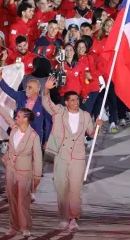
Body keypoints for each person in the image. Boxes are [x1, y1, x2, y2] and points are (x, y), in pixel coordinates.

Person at [42, 76, 102, 232]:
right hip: (62, 155)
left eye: (77, 99)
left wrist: (97, 126)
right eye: (73, 100)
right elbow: (46, 103)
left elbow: (91, 133)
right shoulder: (59, 112)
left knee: (75, 189)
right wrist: (47, 89)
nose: (76, 102)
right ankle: (63, 216)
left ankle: (73, 218)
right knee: (62, 187)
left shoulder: (86, 116)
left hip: (78, 157)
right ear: (66, 102)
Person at [0, 90, 42, 238]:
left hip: (25, 171)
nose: (16, 118)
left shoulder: (33, 136)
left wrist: (37, 176)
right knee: (12, 201)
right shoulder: (14, 128)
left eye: (18, 116)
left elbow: (38, 158)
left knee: (22, 202)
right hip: (11, 169)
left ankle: (25, 227)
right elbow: (5, 115)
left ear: (26, 119)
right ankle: (13, 226)